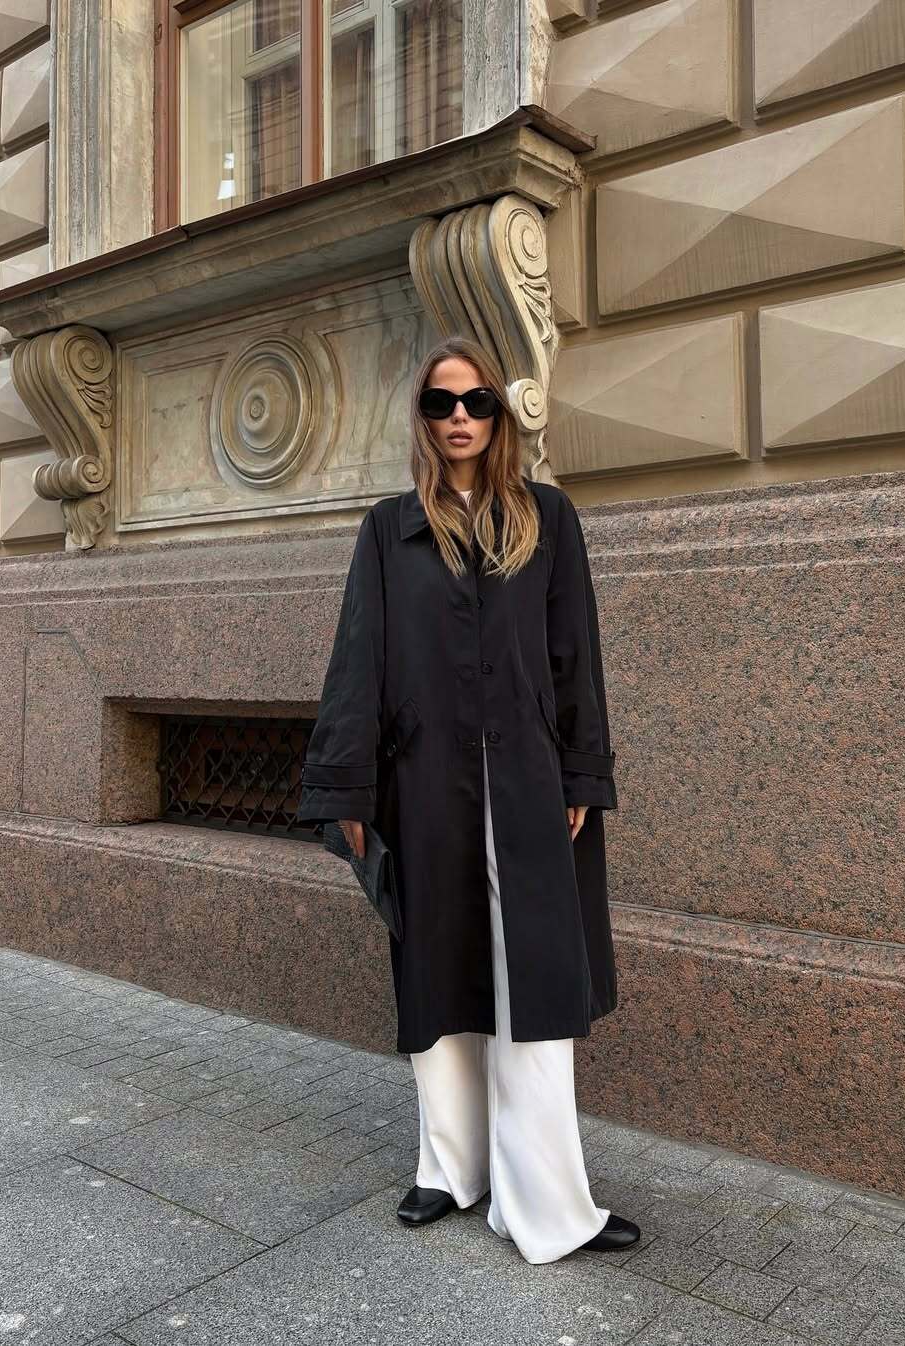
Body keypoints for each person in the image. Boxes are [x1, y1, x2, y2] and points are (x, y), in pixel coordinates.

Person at [296, 334, 640, 1264]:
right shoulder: (388, 529)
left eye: (476, 401)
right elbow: (358, 660)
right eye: (441, 402)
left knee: (533, 983)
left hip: (528, 784)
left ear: (500, 413)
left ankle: (550, 1201)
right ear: (421, 416)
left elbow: (574, 656)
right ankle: (450, 1167)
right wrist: (348, 787)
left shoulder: (548, 518)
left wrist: (582, 775)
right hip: (424, 785)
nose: (459, 418)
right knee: (436, 970)